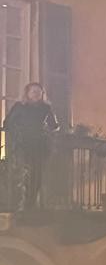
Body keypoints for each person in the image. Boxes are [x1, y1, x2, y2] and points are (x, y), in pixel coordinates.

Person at [3, 81, 58, 211]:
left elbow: (54, 126)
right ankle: (20, 205)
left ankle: (31, 204)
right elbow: (8, 123)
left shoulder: (46, 108)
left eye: (39, 92)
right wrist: (17, 134)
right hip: (22, 145)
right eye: (33, 91)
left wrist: (50, 130)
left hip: (39, 146)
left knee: (37, 176)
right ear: (27, 93)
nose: (36, 94)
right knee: (23, 174)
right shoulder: (19, 107)